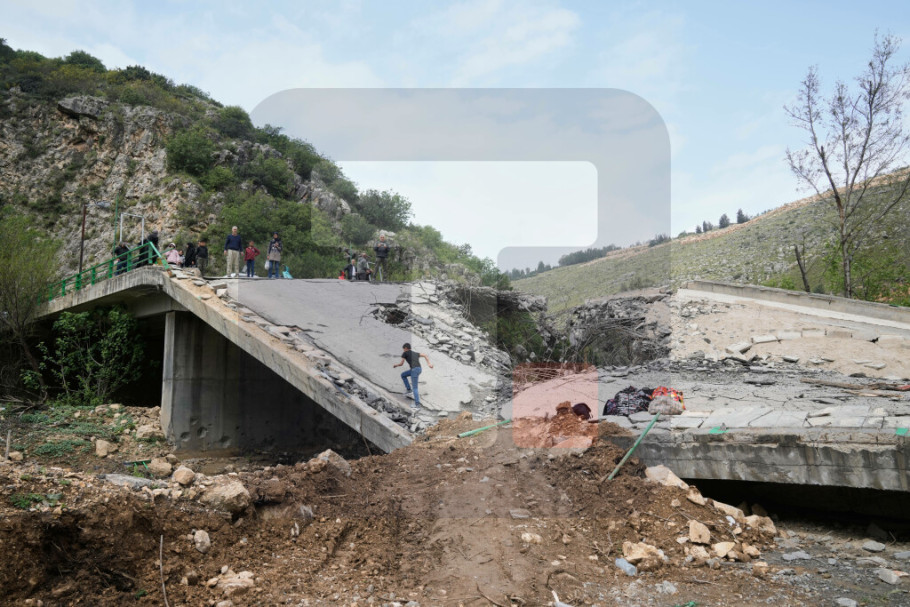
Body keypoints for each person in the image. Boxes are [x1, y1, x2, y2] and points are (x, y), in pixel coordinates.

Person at [393, 343, 433, 408]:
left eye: (403, 349)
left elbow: (401, 363)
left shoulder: (405, 353)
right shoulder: (415, 353)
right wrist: (429, 364)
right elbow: (425, 355)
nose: (403, 350)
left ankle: (417, 404)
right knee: (403, 375)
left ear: (405, 348)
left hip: (414, 370)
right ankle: (409, 390)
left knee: (415, 388)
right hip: (419, 369)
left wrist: (396, 365)